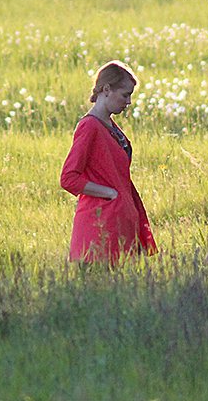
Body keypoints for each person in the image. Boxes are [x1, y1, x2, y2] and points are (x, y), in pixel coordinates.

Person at [60, 60, 157, 265]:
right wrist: (110, 193)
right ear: (106, 89)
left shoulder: (110, 126)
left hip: (120, 222)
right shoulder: (89, 126)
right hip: (100, 225)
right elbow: (68, 178)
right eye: (125, 94)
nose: (128, 102)